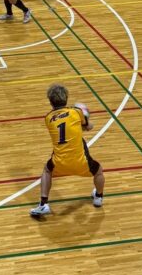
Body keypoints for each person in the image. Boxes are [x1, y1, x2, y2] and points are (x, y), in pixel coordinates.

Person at [30, 84, 105, 220]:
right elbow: (87, 127)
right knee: (98, 170)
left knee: (47, 170)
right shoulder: (76, 112)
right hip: (81, 162)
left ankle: (43, 203)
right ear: (66, 98)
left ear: (50, 102)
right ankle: (98, 197)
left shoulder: (48, 118)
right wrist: (87, 117)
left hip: (59, 163)